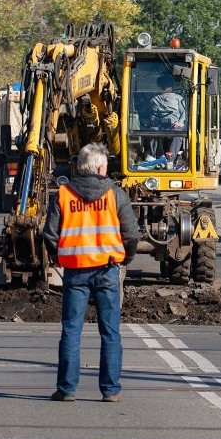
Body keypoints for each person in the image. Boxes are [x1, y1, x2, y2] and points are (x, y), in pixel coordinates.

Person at [43, 143, 140, 403]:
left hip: (75, 272)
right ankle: (110, 390)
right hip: (107, 271)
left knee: (71, 331)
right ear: (100, 167)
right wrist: (126, 258)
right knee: (110, 332)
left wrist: (58, 257)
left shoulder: (63, 194)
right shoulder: (116, 194)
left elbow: (50, 235)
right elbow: (132, 234)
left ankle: (66, 389)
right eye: (106, 165)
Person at [147, 74, 186, 163]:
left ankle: (170, 160)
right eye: (164, 85)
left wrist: (179, 123)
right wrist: (155, 122)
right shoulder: (154, 100)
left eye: (167, 85)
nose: (166, 88)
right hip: (160, 126)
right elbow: (152, 115)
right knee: (151, 131)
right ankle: (154, 158)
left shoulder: (178, 98)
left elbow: (184, 113)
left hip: (174, 126)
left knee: (178, 133)